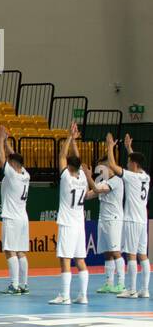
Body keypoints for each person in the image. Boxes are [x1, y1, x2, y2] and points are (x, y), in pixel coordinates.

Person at [49, 124, 91, 305]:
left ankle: (65, 296)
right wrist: (74, 140)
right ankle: (83, 295)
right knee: (80, 260)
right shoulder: (82, 177)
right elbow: (77, 159)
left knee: (65, 259)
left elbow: (62, 156)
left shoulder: (67, 177)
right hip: (79, 224)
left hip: (67, 224)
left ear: (70, 167)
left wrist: (68, 137)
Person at [109, 133, 151, 299]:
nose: (127, 164)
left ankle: (132, 289)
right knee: (143, 255)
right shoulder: (145, 176)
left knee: (132, 255)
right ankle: (145, 290)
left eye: (128, 162)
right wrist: (128, 148)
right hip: (142, 220)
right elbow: (135, 161)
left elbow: (112, 165)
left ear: (133, 164)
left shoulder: (132, 177)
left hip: (132, 219)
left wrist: (110, 146)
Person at [0, 125, 32, 295]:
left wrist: (1, 138)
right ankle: (24, 284)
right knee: (20, 251)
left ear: (13, 165)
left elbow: (1, 156)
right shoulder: (25, 175)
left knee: (10, 251)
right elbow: (13, 156)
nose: (8, 163)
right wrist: (8, 142)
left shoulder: (12, 175)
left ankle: (14, 285)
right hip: (23, 218)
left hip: (11, 218)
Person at [92, 152, 126, 294]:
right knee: (107, 253)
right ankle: (109, 283)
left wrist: (88, 176)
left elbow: (98, 190)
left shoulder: (117, 181)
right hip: (103, 220)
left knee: (115, 251)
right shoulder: (102, 181)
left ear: (109, 167)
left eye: (102, 167)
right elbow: (90, 193)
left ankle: (121, 284)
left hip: (114, 220)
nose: (100, 170)